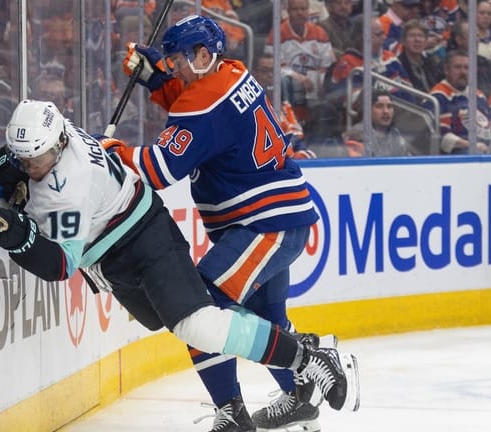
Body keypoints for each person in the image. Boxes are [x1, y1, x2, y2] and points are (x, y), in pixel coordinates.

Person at [0, 99, 360, 432]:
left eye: (36, 159)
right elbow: (32, 153)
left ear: (59, 145)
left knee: (197, 323)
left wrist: (20, 237)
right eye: (25, 157)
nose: (30, 166)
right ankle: (238, 411)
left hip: (144, 240)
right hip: (118, 252)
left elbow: (60, 266)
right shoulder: (57, 128)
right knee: (187, 326)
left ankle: (307, 356)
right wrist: (11, 161)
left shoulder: (69, 187)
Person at [116, 15, 358, 432]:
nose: (174, 67)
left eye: (178, 61)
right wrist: (157, 81)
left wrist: (108, 151)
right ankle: (300, 396)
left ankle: (236, 410)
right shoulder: (232, 74)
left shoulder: (203, 101)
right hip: (279, 220)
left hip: (263, 225)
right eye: (170, 61)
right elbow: (198, 113)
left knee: (195, 308)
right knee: (267, 319)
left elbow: (159, 168)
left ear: (203, 55)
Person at [424, 49, 491, 154]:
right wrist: (471, 145)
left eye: (467, 68)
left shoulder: (479, 95)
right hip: (453, 157)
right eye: (457, 67)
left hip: (482, 151)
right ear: (447, 70)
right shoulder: (438, 96)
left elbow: (489, 128)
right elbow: (440, 136)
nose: (463, 72)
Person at [342, 89, 411, 156]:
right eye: (379, 106)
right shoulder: (356, 134)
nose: (386, 111)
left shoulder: (395, 133)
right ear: (367, 110)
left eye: (389, 106)